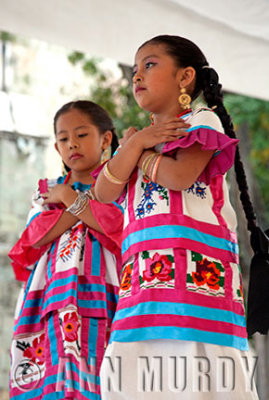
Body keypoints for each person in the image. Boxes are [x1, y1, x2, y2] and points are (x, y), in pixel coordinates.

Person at [94, 35, 259, 399]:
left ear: (185, 78)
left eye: (149, 65)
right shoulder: (138, 140)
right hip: (142, 283)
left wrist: (139, 152)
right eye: (135, 69)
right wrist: (136, 144)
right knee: (138, 379)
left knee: (195, 375)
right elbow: (103, 192)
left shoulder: (203, 121)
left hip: (196, 282)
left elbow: (180, 176)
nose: (136, 76)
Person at [9, 100, 123, 399]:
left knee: (106, 378)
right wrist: (84, 206)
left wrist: (69, 199)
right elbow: (35, 238)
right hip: (52, 301)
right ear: (57, 148)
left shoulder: (123, 188)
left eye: (82, 134)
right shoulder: (47, 190)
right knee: (55, 381)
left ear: (106, 138)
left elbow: (119, 227)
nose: (72, 143)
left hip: (107, 295)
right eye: (63, 138)